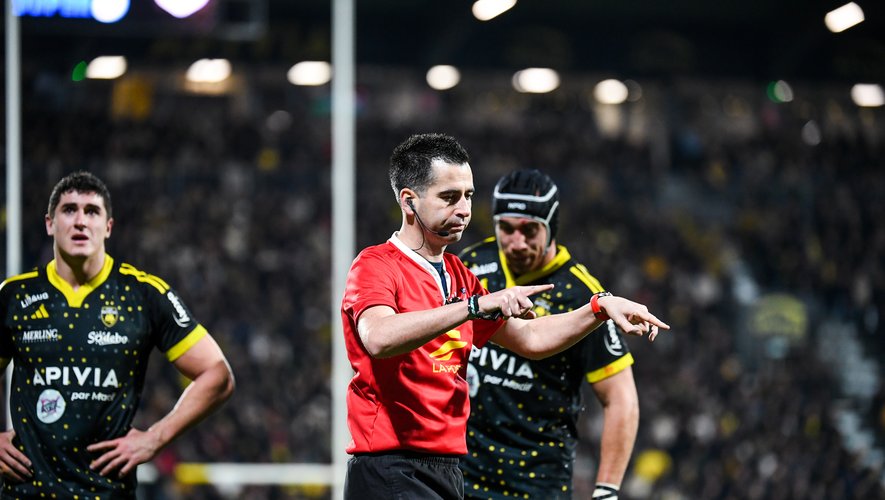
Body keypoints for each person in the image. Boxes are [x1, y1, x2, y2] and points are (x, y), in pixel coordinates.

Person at [340, 133, 668, 500]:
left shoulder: (458, 274)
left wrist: (597, 308)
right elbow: (379, 337)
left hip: (449, 469)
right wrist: (474, 307)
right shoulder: (376, 264)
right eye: (449, 198)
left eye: (468, 195)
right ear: (409, 201)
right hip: (391, 465)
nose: (463, 209)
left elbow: (530, 339)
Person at [0, 171, 235, 498]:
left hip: (107, 493)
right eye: (69, 210)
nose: (80, 221)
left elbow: (217, 374)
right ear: (50, 224)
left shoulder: (143, 294)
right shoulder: (13, 296)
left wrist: (155, 437)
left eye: (92, 211)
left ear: (108, 226)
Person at [459, 169, 638, 500]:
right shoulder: (471, 266)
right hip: (459, 476)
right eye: (507, 229)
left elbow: (621, 398)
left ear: (551, 227)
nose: (517, 242)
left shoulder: (583, 296)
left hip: (535, 484)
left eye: (530, 230)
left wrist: (607, 491)